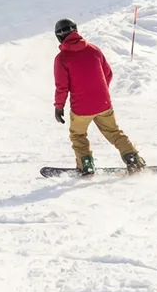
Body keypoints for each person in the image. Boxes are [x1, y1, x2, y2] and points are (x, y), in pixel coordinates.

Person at [52, 19, 144, 175]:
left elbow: (62, 87)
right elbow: (108, 73)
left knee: (78, 135)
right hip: (103, 103)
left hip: (81, 108)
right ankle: (133, 159)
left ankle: (86, 166)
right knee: (114, 133)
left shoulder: (62, 58)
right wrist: (99, 93)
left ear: (58, 36)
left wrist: (59, 107)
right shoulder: (94, 50)